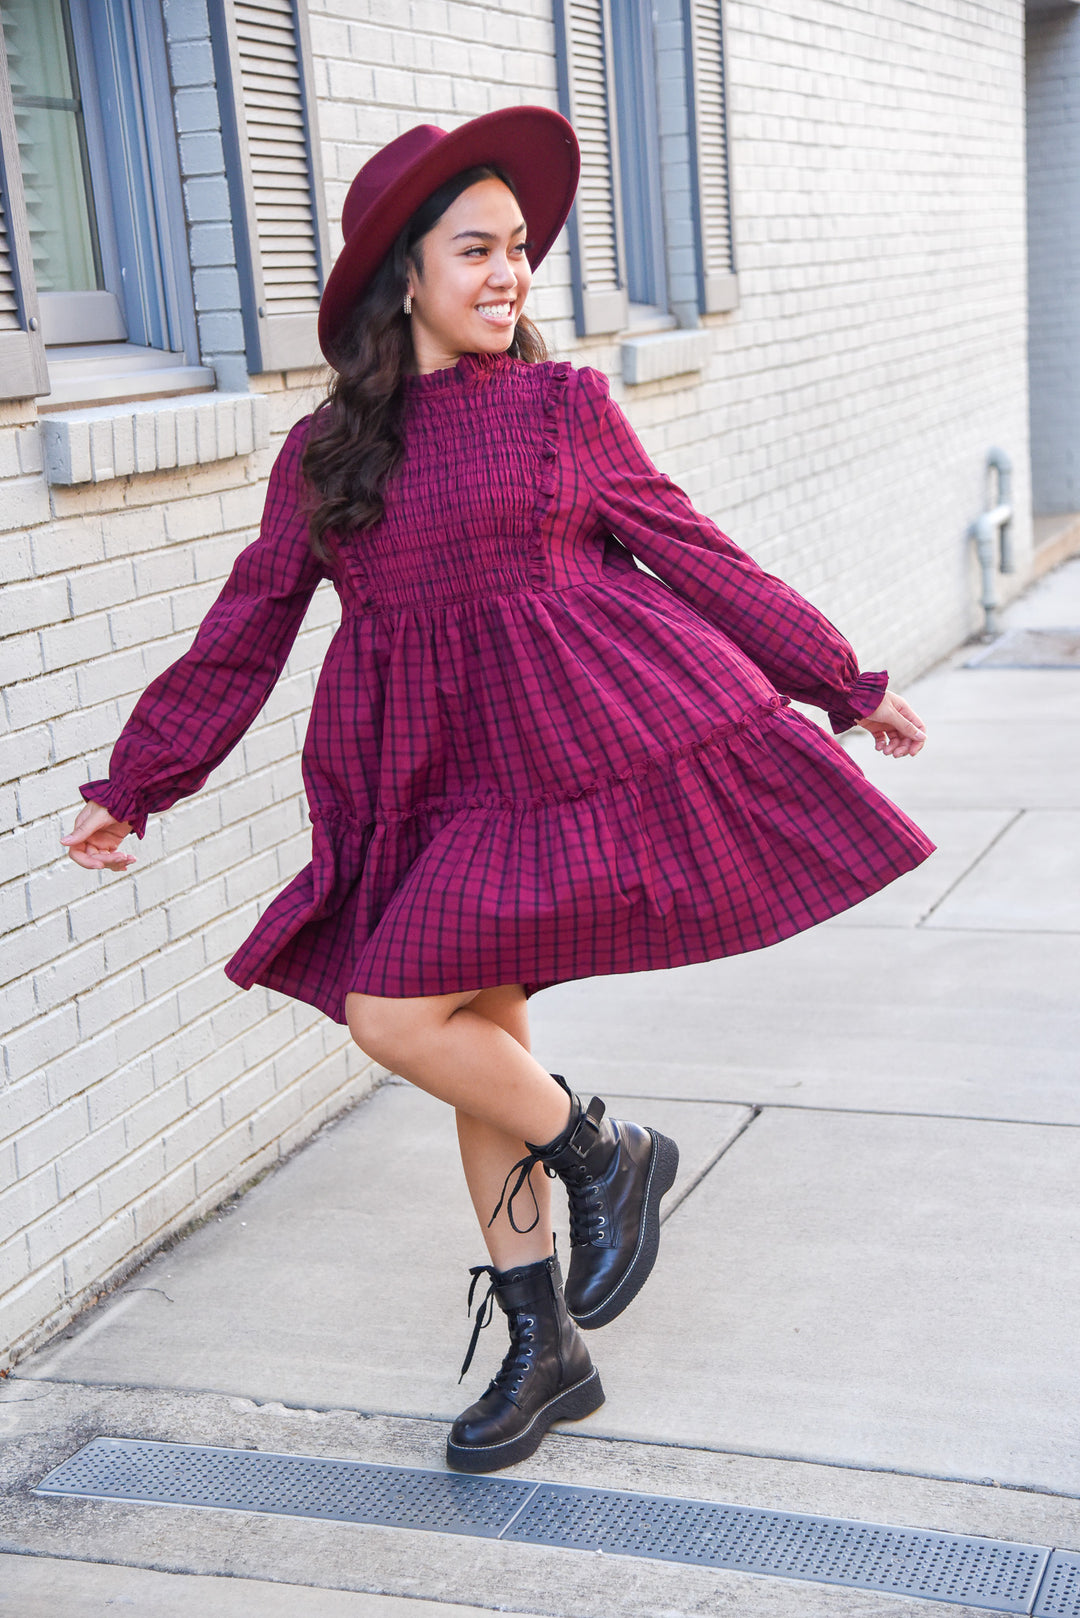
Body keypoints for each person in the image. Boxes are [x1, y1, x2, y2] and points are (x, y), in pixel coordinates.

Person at [62, 106, 934, 1475]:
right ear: (400, 274)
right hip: (410, 780)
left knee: (394, 1013)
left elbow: (698, 555)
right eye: (475, 249)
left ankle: (603, 1154)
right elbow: (247, 625)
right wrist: (143, 778)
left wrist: (840, 676)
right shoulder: (329, 452)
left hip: (542, 760)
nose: (507, 275)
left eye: (519, 249)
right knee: (483, 1043)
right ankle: (549, 1339)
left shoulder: (563, 408)